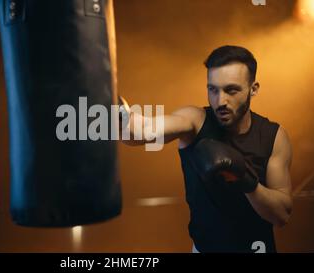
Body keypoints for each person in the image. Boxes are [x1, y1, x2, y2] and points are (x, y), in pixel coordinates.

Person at [119, 45, 293, 253]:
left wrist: (245, 180)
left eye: (231, 90)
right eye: (213, 89)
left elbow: (281, 215)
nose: (220, 101)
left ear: (253, 89)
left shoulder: (273, 136)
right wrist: (114, 106)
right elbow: (142, 131)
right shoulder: (195, 121)